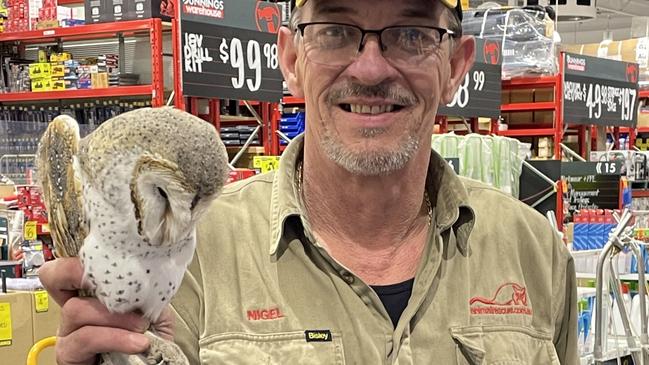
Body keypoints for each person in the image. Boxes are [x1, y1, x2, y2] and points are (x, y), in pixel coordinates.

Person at [39, 0, 578, 363]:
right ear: (292, 58)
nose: (370, 70)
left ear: (456, 66)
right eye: (336, 33)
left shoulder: (532, 251)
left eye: (412, 35)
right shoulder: (193, 254)